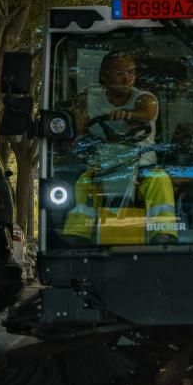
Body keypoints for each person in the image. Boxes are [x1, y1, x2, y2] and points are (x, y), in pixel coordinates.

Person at [62, 51, 178, 245]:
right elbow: (78, 130)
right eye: (120, 73)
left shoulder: (145, 98)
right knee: (83, 183)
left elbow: (147, 113)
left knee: (160, 180)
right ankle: (78, 234)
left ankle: (163, 233)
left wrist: (129, 115)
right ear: (105, 75)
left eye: (131, 72)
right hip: (104, 168)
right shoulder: (89, 98)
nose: (127, 78)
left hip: (142, 167)